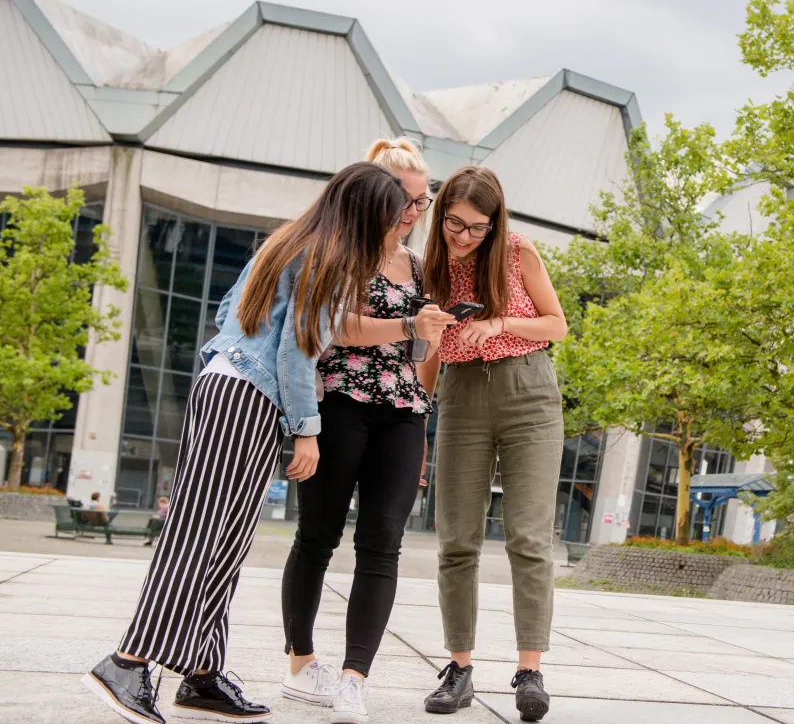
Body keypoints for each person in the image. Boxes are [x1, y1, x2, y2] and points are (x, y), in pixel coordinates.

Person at [82, 164, 411, 724]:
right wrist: (308, 430)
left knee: (227, 542)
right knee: (198, 534)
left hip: (228, 388)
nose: (396, 228)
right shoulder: (329, 257)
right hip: (245, 398)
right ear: (365, 215)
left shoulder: (291, 240)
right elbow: (296, 350)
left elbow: (225, 313)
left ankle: (201, 673)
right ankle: (127, 662)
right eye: (390, 217)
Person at [279, 138, 454, 724]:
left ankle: (355, 677)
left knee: (383, 545)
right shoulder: (340, 255)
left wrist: (431, 335)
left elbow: (423, 351)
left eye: (422, 202)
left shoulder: (423, 266)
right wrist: (407, 322)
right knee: (317, 537)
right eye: (404, 198)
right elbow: (333, 330)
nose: (412, 211)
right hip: (340, 403)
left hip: (402, 411)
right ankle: (302, 664)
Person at [419, 167, 567, 721]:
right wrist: (418, 414)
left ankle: (530, 671)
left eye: (477, 227)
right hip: (460, 395)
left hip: (527, 391)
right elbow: (432, 347)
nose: (464, 236)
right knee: (457, 538)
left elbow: (557, 325)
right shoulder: (431, 262)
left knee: (529, 537)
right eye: (455, 223)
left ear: (495, 222)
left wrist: (501, 322)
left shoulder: (517, 251)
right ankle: (459, 669)